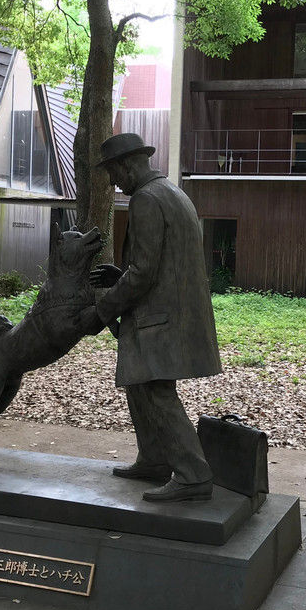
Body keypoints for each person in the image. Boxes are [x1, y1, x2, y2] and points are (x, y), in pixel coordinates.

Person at [78, 133, 221, 504]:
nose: (111, 181)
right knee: (141, 386)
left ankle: (192, 474)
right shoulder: (172, 193)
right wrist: (119, 275)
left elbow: (143, 274)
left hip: (159, 318)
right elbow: (161, 262)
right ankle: (155, 458)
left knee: (156, 393)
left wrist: (103, 310)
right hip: (173, 313)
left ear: (127, 164)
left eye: (111, 172)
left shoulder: (145, 199)